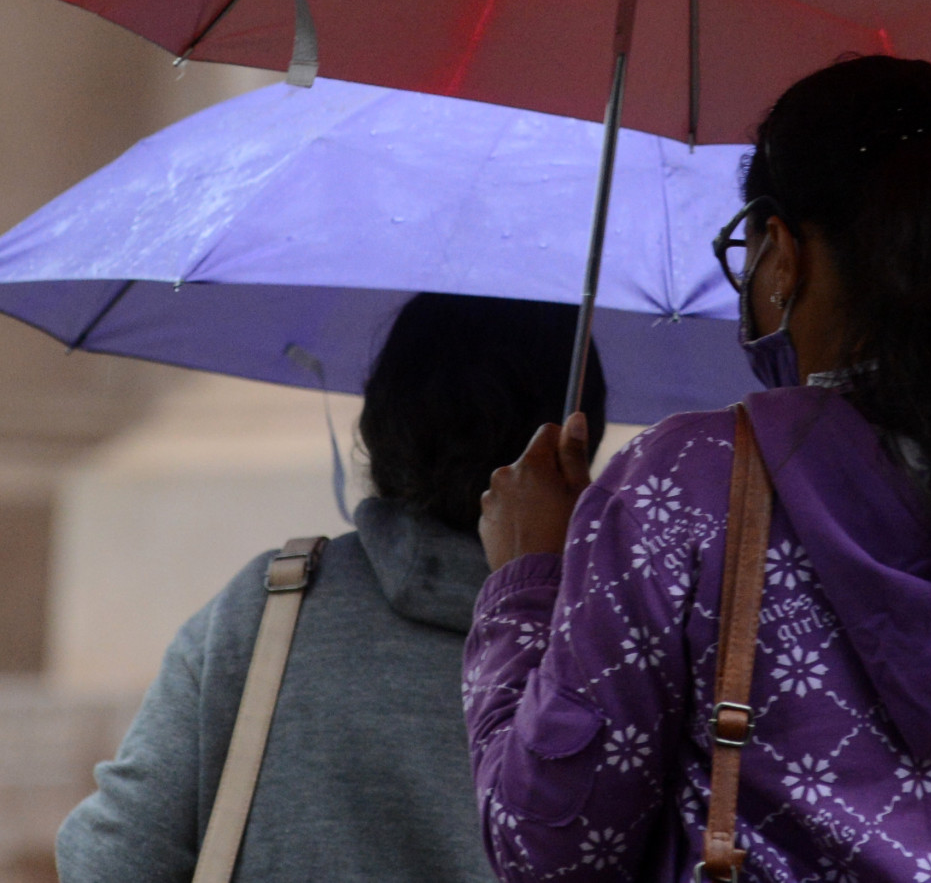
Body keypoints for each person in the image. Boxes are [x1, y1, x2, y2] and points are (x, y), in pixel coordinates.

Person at [467, 57, 931, 882]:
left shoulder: (680, 487)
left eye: (747, 251)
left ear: (784, 252)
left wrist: (529, 583)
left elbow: (548, 846)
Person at [57, 292, 608, 883]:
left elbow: (113, 858)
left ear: (384, 418)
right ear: (578, 444)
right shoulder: (623, 646)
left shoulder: (274, 605)